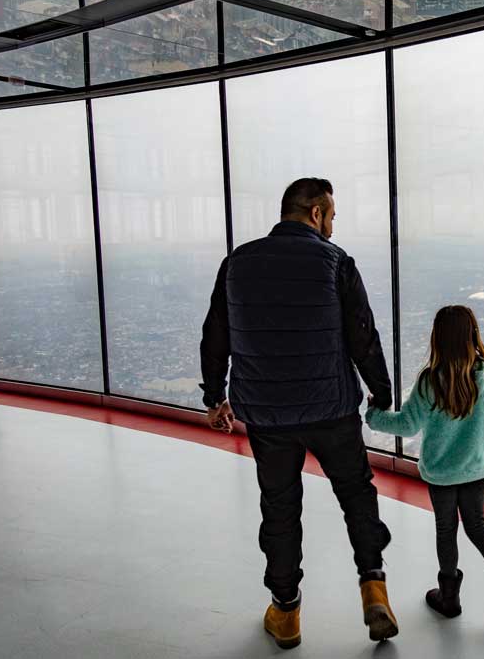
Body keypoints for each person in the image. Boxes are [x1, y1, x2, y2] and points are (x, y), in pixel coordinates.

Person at [199, 178, 400, 650]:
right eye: (330, 216)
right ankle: (374, 587)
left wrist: (214, 397)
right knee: (355, 493)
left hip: (267, 416)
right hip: (332, 408)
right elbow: (362, 333)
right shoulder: (335, 262)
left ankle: (286, 611)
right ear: (314, 213)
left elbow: (216, 335)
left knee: (281, 508)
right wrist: (381, 390)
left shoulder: (236, 263)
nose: (332, 225)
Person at [366, 305, 484, 629]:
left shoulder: (431, 381)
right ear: (473, 335)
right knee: (478, 527)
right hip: (475, 468)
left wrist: (373, 416)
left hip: (442, 472)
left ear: (438, 338)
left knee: (447, 530)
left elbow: (407, 425)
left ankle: (449, 599)